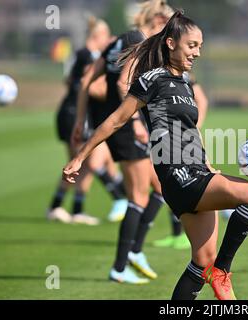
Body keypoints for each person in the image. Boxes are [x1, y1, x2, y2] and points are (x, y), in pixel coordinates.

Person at [63, 11, 248, 300]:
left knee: (201, 262)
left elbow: (190, 131)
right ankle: (223, 271)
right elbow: (116, 120)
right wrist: (81, 156)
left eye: (200, 46)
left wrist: (208, 165)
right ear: (171, 43)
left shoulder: (184, 82)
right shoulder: (152, 80)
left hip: (197, 171)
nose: (197, 52)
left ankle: (211, 275)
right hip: (177, 175)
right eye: (192, 45)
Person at [71, 0, 174, 283]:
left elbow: (86, 80)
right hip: (128, 128)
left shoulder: (118, 41)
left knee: (160, 188)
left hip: (120, 127)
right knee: (138, 197)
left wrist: (81, 121)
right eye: (168, 27)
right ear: (156, 22)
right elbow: (121, 83)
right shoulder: (141, 42)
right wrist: (138, 122)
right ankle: (120, 266)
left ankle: (135, 251)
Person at [47, 16, 126, 225]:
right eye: (107, 36)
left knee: (79, 165)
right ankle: (118, 198)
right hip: (75, 115)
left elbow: (69, 81)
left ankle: (58, 207)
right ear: (98, 36)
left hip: (68, 112)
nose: (109, 40)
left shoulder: (81, 54)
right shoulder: (89, 56)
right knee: (90, 161)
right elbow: (90, 85)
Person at [152, 74, 207, 250]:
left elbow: (202, 100)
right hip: (164, 137)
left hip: (181, 139)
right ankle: (177, 234)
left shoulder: (183, 76)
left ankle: (181, 233)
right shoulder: (153, 77)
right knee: (171, 183)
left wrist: (193, 127)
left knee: (178, 182)